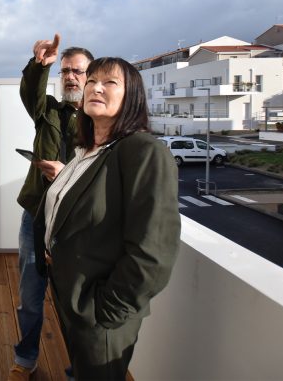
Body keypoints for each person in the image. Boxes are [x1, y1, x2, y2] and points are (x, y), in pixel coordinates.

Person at [33, 58, 181, 380]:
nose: (95, 87)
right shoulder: (86, 151)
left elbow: (153, 253)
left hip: (101, 313)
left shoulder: (144, 150)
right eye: (92, 81)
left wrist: (105, 313)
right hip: (70, 295)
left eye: (110, 83)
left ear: (132, 97)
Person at [10, 34, 93, 381]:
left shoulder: (99, 122)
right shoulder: (48, 111)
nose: (71, 77)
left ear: (91, 77)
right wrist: (39, 64)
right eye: (65, 71)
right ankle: (26, 359)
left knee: (74, 303)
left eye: (78, 71)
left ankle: (78, 370)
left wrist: (66, 175)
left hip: (75, 225)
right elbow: (30, 93)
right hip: (36, 217)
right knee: (30, 296)